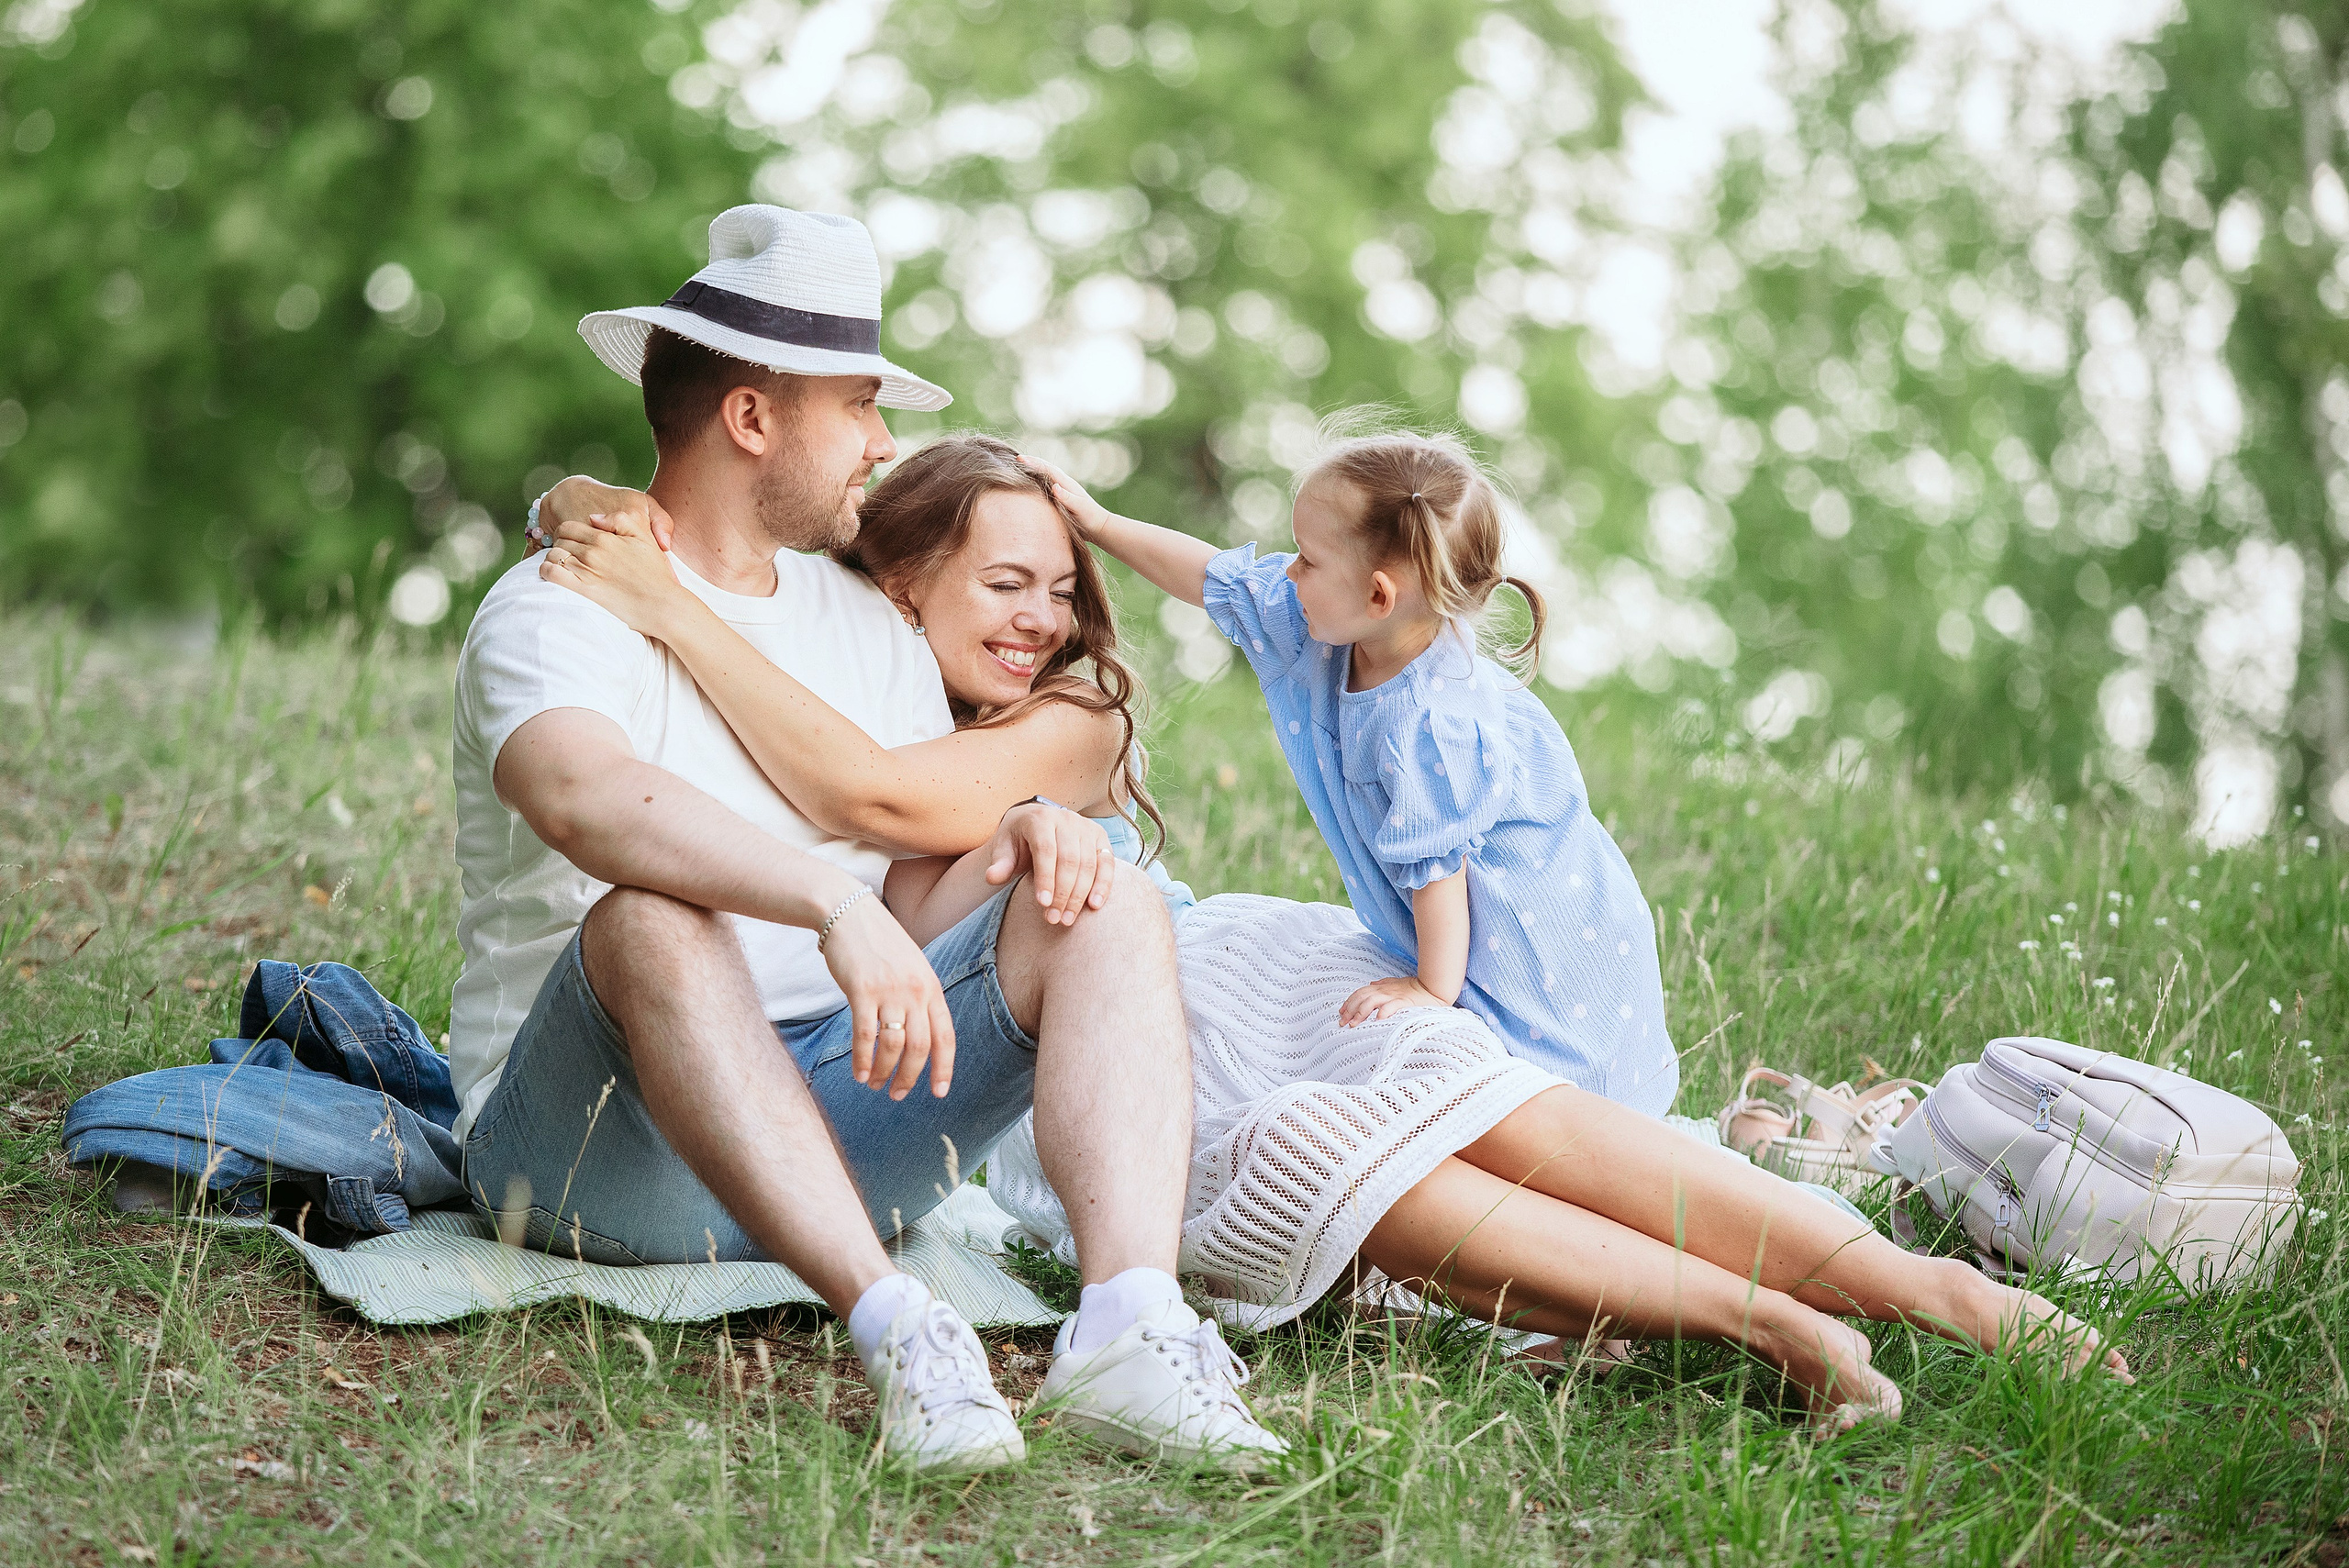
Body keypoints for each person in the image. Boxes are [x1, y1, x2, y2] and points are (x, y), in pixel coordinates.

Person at [532, 435, 2132, 1439]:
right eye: (1000, 582)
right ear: (889, 583)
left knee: (1510, 1110)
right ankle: (1765, 1316)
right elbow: (738, 563)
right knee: (1349, 1162)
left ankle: (1919, 1285)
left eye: (1058, 586)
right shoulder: (836, 660)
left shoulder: (1069, 722)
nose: (1039, 616)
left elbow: (887, 803)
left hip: (1193, 972)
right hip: (1134, 1043)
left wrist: (1030, 812)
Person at [451, 204, 1283, 1475]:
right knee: (651, 912)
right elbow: (582, 799)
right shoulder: (560, 597)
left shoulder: (866, 628)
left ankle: (1130, 1324)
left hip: (847, 1127)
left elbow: (901, 875)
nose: (885, 442)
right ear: (752, 417)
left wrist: (1025, 844)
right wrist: (824, 909)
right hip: (587, 1153)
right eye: (859, 404)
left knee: (1092, 881)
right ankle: (899, 1327)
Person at [1029, 422, 1675, 1114]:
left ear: (1378, 596)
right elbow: (1213, 576)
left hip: (1539, 958)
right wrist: (1099, 523)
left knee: (1532, 1106)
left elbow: (1440, 878)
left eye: (1307, 559)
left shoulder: (1431, 724)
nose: (1288, 571)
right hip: (1473, 935)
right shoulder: (1331, 624)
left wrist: (1431, 989)